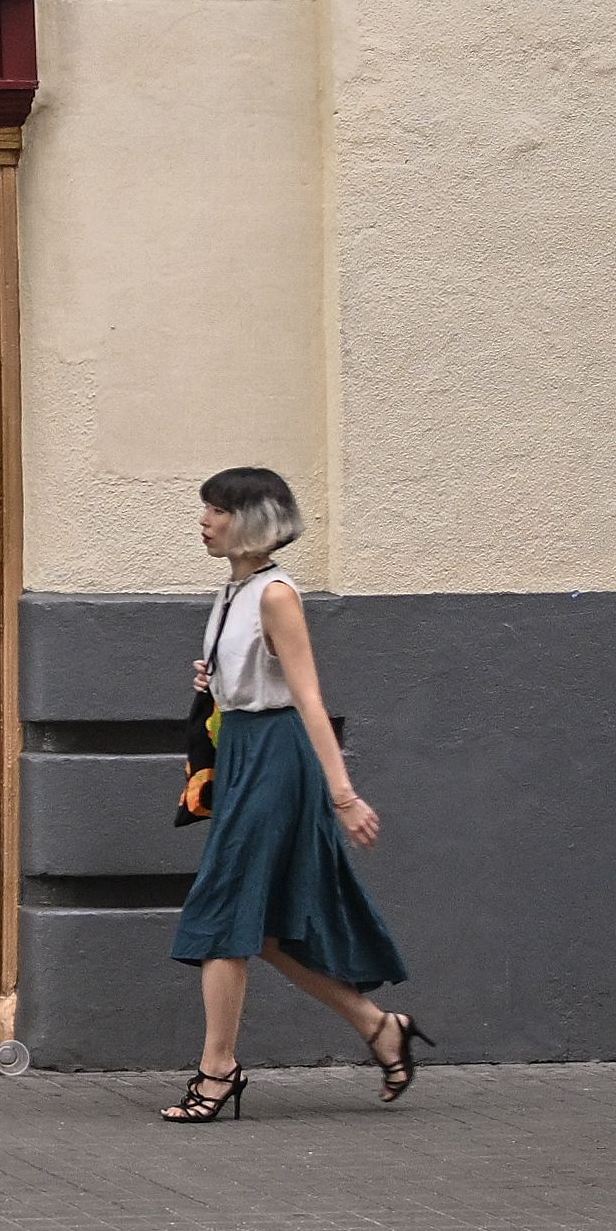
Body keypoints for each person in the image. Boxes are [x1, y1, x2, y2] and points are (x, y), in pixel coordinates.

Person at [161, 467, 424, 1121]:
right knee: (270, 931)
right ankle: (379, 1027)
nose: (204, 520)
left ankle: (217, 1070)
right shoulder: (235, 590)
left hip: (277, 757)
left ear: (251, 518)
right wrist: (215, 677)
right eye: (206, 508)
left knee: (223, 913)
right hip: (246, 749)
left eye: (217, 509)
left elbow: (308, 697)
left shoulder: (276, 593)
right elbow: (250, 674)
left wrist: (343, 794)